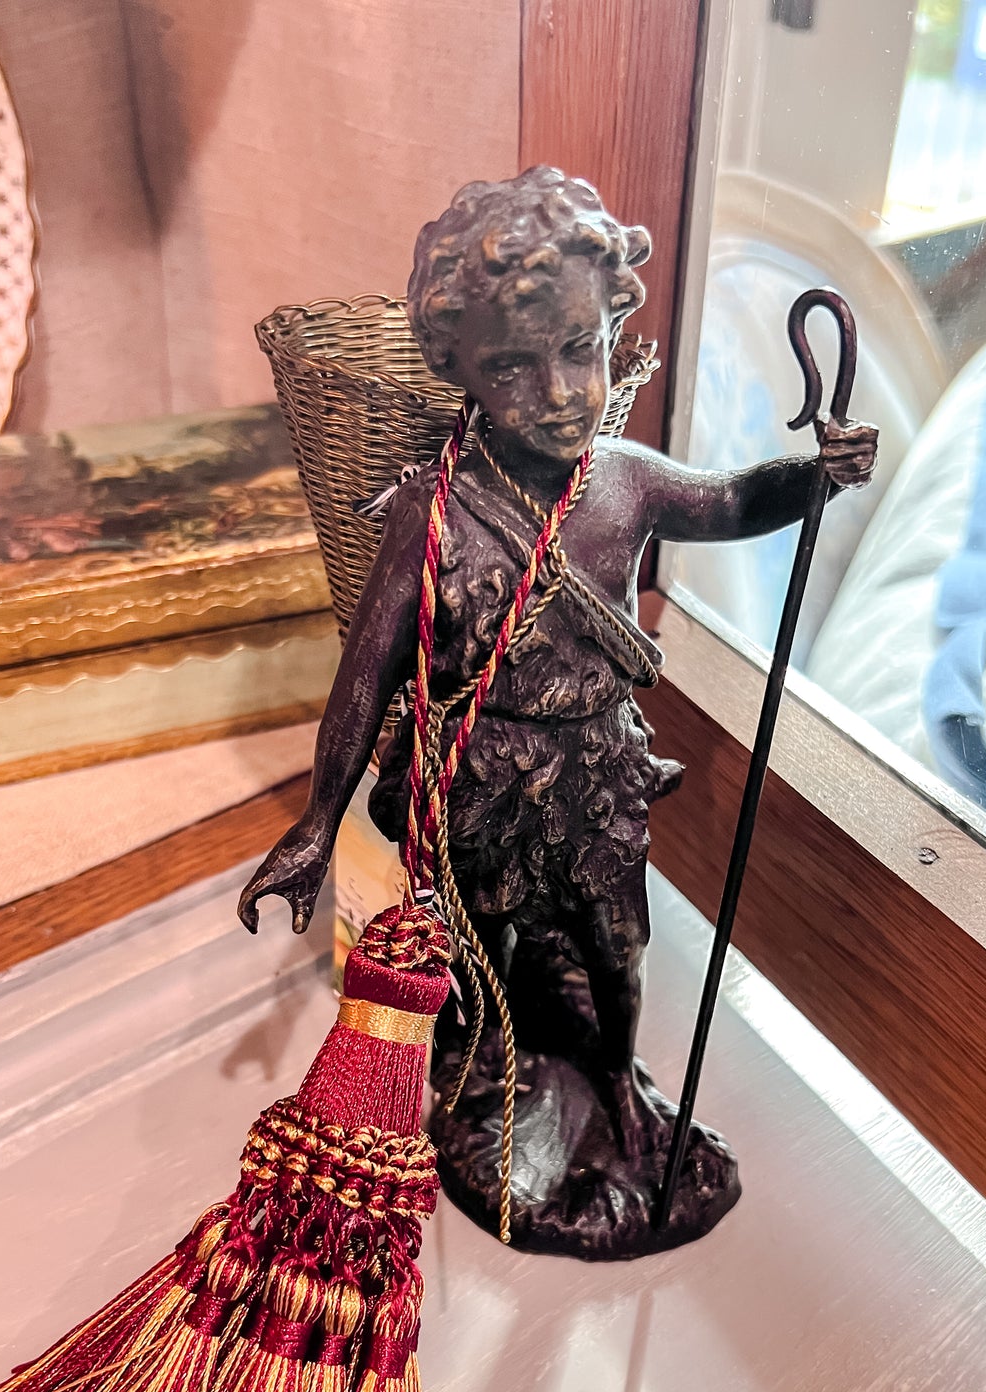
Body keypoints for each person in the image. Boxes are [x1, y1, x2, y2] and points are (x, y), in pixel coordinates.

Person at [239, 166, 876, 1209]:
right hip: (480, 778)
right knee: (481, 945)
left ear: (613, 325)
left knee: (616, 940)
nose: (561, 392)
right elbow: (366, 677)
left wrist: (815, 478)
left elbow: (727, 502)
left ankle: (619, 1085)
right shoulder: (432, 512)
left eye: (581, 349)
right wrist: (317, 821)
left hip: (598, 769)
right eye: (513, 366)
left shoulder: (625, 481)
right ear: (458, 367)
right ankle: (491, 1081)